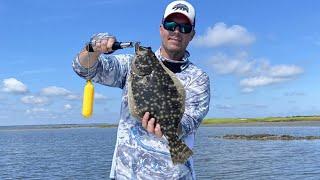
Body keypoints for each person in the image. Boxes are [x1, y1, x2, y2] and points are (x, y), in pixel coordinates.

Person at [72, 0, 210, 179]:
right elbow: (84, 69)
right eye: (171, 24)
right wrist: (93, 48)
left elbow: (190, 122)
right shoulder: (131, 65)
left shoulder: (198, 78)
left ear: (192, 35)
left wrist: (168, 127)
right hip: (126, 174)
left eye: (184, 27)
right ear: (161, 28)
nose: (176, 31)